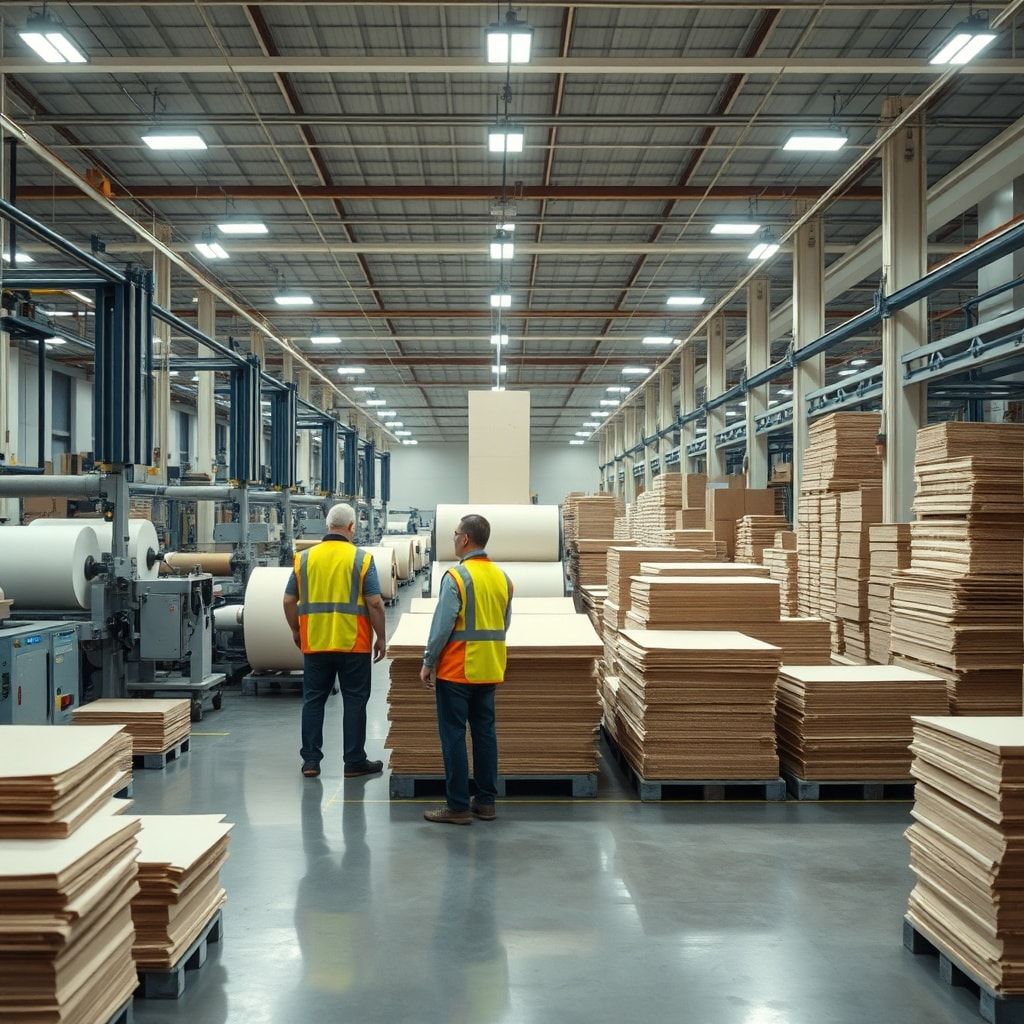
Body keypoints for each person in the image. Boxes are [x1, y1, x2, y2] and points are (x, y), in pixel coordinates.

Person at [419, 514, 513, 825]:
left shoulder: (457, 577)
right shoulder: (503, 578)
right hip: (490, 667)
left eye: (456, 533)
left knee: (454, 736)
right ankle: (486, 802)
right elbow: (504, 624)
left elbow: (442, 626)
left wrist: (429, 660)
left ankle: (458, 806)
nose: (454, 537)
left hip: (458, 669)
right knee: (485, 735)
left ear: (465, 539)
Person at [283, 502, 387, 779]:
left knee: (313, 701)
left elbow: (288, 600)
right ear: (352, 527)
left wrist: (296, 629)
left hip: (315, 642)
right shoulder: (361, 559)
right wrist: (381, 638)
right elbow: (374, 602)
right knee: (354, 701)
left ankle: (310, 762)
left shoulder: (303, 558)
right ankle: (354, 762)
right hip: (353, 643)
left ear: (328, 526)